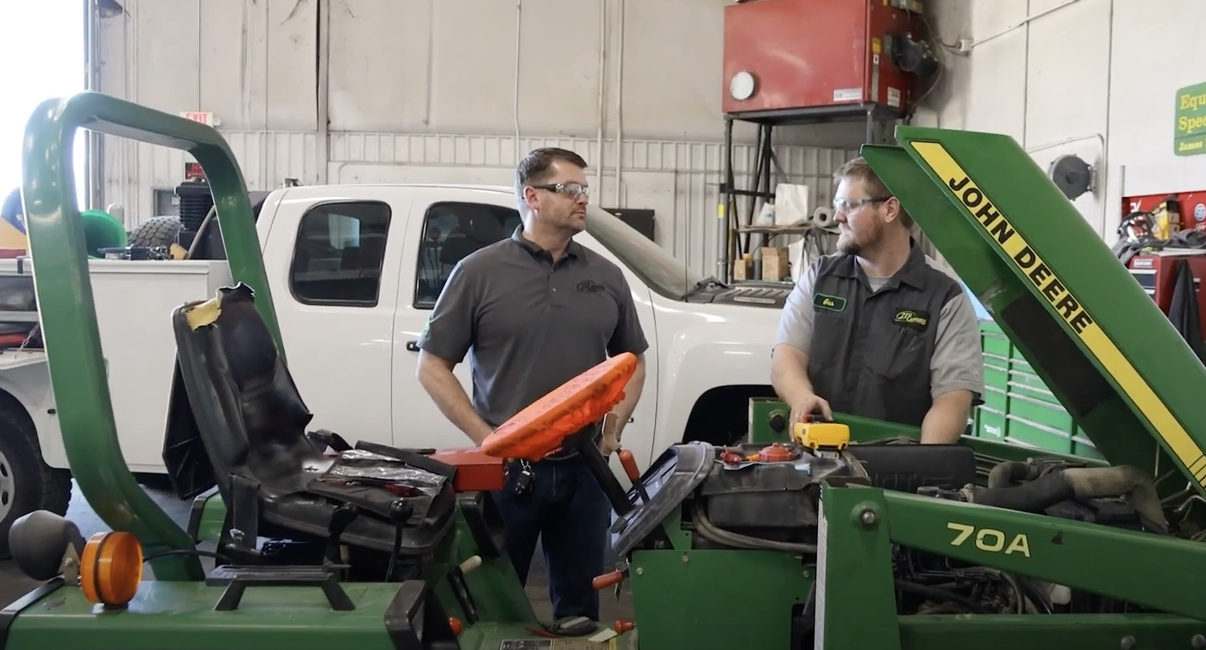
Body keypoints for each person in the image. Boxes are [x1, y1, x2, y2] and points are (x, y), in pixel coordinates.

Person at [415, 147, 648, 627]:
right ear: (533, 196)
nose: (584, 199)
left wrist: (611, 430)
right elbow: (432, 366)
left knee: (581, 615)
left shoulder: (606, 277)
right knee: (493, 610)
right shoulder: (478, 273)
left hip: (585, 471)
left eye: (586, 189)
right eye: (572, 190)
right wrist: (488, 442)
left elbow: (633, 361)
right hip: (508, 474)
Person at [770, 156, 984, 444]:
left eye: (849, 205)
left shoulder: (944, 296)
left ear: (889, 209)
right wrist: (802, 396)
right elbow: (786, 357)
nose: (837, 217)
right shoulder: (820, 277)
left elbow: (953, 399)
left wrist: (922, 472)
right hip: (816, 455)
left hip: (895, 469)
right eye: (837, 205)